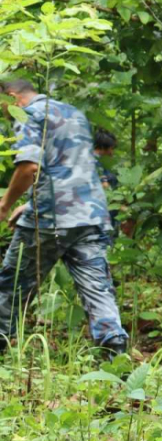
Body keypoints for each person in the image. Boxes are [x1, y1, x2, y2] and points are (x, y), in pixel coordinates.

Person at [0, 79, 128, 357]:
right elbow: (70, 166)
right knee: (97, 286)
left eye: (2, 106)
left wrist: (5, 204)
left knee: (12, 282)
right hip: (90, 214)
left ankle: (1, 339)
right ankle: (114, 349)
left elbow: (29, 167)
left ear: (12, 98)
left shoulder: (29, 114)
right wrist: (30, 201)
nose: (3, 113)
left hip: (51, 218)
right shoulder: (73, 113)